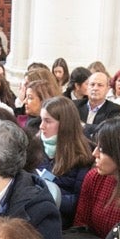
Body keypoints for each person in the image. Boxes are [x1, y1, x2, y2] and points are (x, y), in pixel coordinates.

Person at [36, 95, 95, 227]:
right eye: (41, 120)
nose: (41, 126)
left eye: (48, 121)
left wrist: (49, 195)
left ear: (64, 124)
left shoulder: (84, 154)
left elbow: (80, 202)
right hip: (37, 208)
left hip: (61, 219)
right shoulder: (36, 146)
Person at [77, 69, 120, 137]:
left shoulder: (115, 109)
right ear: (87, 87)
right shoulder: (75, 105)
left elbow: (107, 130)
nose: (95, 88)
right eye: (92, 84)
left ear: (107, 89)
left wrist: (83, 126)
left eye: (100, 85)